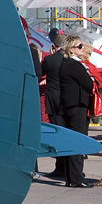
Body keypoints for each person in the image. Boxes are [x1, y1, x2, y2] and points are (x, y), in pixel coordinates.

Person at [59, 34, 94, 187]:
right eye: (80, 46)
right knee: (78, 141)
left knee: (71, 142)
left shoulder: (66, 64)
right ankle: (77, 178)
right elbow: (88, 83)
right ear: (72, 49)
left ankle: (71, 177)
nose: (82, 48)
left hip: (70, 106)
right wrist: (90, 79)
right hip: (77, 107)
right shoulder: (74, 65)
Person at [39, 34, 67, 179]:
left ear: (53, 46)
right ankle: (69, 167)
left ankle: (60, 167)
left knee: (57, 132)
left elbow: (38, 72)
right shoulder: (70, 60)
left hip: (53, 101)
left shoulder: (50, 60)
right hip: (67, 101)